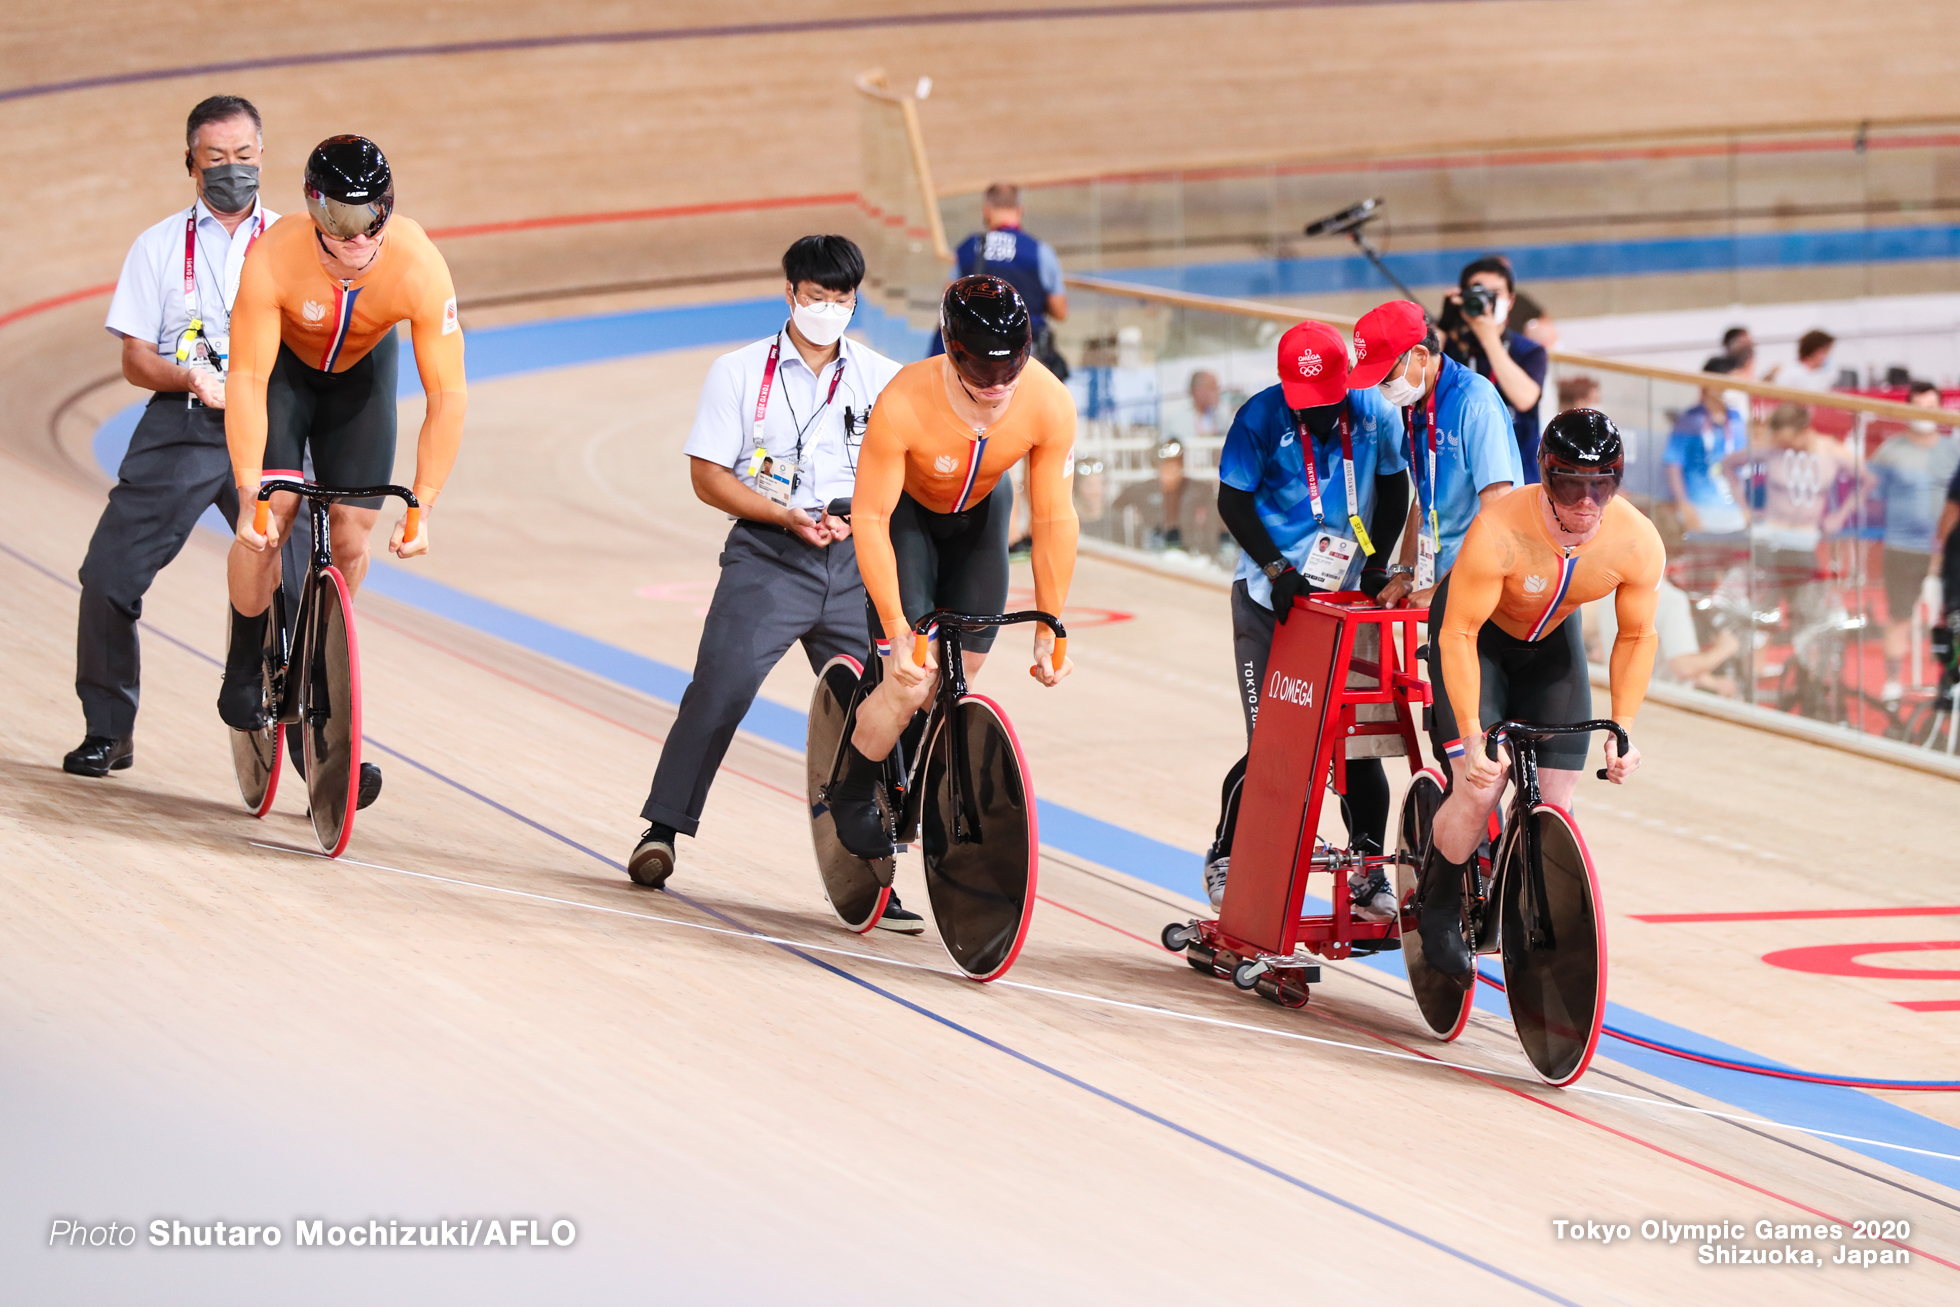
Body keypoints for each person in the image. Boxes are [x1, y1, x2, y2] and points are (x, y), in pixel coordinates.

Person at [626, 237, 909, 917]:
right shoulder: (737, 371)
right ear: (789, 293)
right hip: (768, 554)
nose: (829, 311)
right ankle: (661, 829)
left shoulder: (883, 377)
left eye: (842, 300)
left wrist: (863, 521)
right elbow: (707, 475)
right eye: (816, 298)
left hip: (855, 560)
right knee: (719, 688)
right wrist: (784, 515)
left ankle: (879, 873)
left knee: (882, 707)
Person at [216, 135, 467, 812]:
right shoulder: (272, 258)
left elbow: (446, 396)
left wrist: (425, 504)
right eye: (337, 222)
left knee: (352, 537)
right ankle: (245, 662)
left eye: (368, 221)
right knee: (272, 524)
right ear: (311, 210)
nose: (354, 239)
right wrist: (249, 490)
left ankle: (318, 659)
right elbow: (246, 376)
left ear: (389, 208)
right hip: (286, 378)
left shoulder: (418, 264)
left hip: (360, 381)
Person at [66, 96, 294, 778]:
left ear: (263, 156)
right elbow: (136, 360)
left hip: (273, 428)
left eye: (245, 157)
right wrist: (191, 378)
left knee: (307, 584)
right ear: (191, 165)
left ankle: (323, 758)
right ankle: (109, 730)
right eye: (217, 158)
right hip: (184, 424)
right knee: (106, 578)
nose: (232, 169)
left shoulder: (293, 242)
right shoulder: (159, 246)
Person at [826, 275, 1078, 860]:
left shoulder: (1048, 401)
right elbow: (870, 519)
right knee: (908, 679)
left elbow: (1054, 520)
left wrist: (1051, 625)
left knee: (960, 668)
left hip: (981, 521)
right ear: (950, 350)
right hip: (909, 521)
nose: (996, 387)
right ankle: (850, 790)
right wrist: (896, 627)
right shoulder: (904, 401)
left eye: (1010, 370)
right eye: (980, 373)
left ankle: (910, 758)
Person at [1414, 410, 1664, 975]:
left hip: (1551, 646)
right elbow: (1457, 632)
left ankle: (1517, 885)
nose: (1587, 500)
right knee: (1481, 787)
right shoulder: (1500, 527)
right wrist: (1474, 738)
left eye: (1602, 483)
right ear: (1546, 477)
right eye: (1571, 482)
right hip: (1477, 639)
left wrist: (1622, 728)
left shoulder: (1636, 539)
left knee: (1555, 798)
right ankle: (1434, 909)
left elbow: (1638, 634)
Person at [1198, 322, 1411, 915]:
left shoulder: (1375, 412)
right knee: (1275, 744)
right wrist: (1273, 566)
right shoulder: (1259, 418)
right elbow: (1231, 500)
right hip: (1274, 602)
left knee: (1358, 746)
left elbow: (1396, 490)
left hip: (1347, 604)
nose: (1315, 412)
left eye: (1326, 401)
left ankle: (1369, 869)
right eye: (1304, 402)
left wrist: (1375, 563)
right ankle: (1227, 854)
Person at [1359, 301, 1523, 641]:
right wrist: (1406, 572)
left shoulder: (1474, 403)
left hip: (1483, 588)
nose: (1382, 389)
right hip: (1444, 581)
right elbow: (1422, 495)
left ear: (1420, 355)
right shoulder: (1416, 403)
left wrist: (1450, 587)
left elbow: (1499, 509)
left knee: (1468, 694)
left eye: (1385, 376)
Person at [1718, 402, 1866, 625]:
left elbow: (1867, 480)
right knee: (1762, 606)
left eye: (1790, 442)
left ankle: (1801, 651)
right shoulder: (1773, 449)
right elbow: (1728, 465)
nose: (1787, 447)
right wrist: (1744, 509)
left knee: (1807, 608)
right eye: (1781, 443)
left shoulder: (1831, 451)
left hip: (1804, 540)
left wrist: (1840, 514)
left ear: (1805, 431)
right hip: (1769, 536)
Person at [1869, 381, 1959, 701]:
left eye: (1931, 408)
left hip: (1947, 553)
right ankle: (1893, 682)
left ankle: (1948, 683)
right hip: (1902, 548)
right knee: (1899, 616)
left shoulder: (1953, 450)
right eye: (1918, 408)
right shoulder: (1891, 450)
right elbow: (1871, 496)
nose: (1925, 415)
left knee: (1950, 619)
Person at [1439, 255, 1548, 480]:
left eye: (1495, 294)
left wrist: (1489, 338)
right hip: (1460, 475)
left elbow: (1525, 398)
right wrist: (1443, 325)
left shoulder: (1529, 351)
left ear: (1510, 301)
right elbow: (1420, 374)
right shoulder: (1450, 345)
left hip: (1517, 474)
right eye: (1478, 292)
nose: (1487, 302)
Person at [1662, 357, 1750, 592]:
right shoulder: (1690, 420)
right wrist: (1685, 506)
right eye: (1727, 383)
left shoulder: (1737, 420)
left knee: (1737, 585)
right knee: (1702, 584)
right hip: (1703, 518)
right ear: (1710, 385)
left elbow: (1738, 468)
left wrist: (1745, 507)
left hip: (1734, 518)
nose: (1731, 389)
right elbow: (1673, 465)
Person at [1587, 576, 1739, 696]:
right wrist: (1724, 649)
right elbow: (1683, 666)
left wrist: (1710, 681)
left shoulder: (1614, 591)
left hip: (1622, 696)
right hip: (1662, 702)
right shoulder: (1670, 598)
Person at [1769, 329, 1837, 393]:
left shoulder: (1815, 376)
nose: (1827, 357)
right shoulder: (1792, 374)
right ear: (1817, 352)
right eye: (1826, 352)